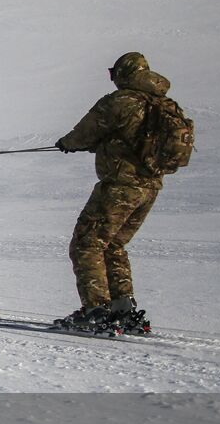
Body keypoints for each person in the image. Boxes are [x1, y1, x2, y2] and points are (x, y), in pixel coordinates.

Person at [54, 52, 176, 329]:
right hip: (150, 188)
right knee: (113, 245)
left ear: (124, 73)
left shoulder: (121, 102)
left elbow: (84, 134)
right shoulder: (163, 104)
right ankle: (122, 310)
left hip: (120, 187)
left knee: (87, 244)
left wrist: (67, 143)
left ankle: (96, 311)